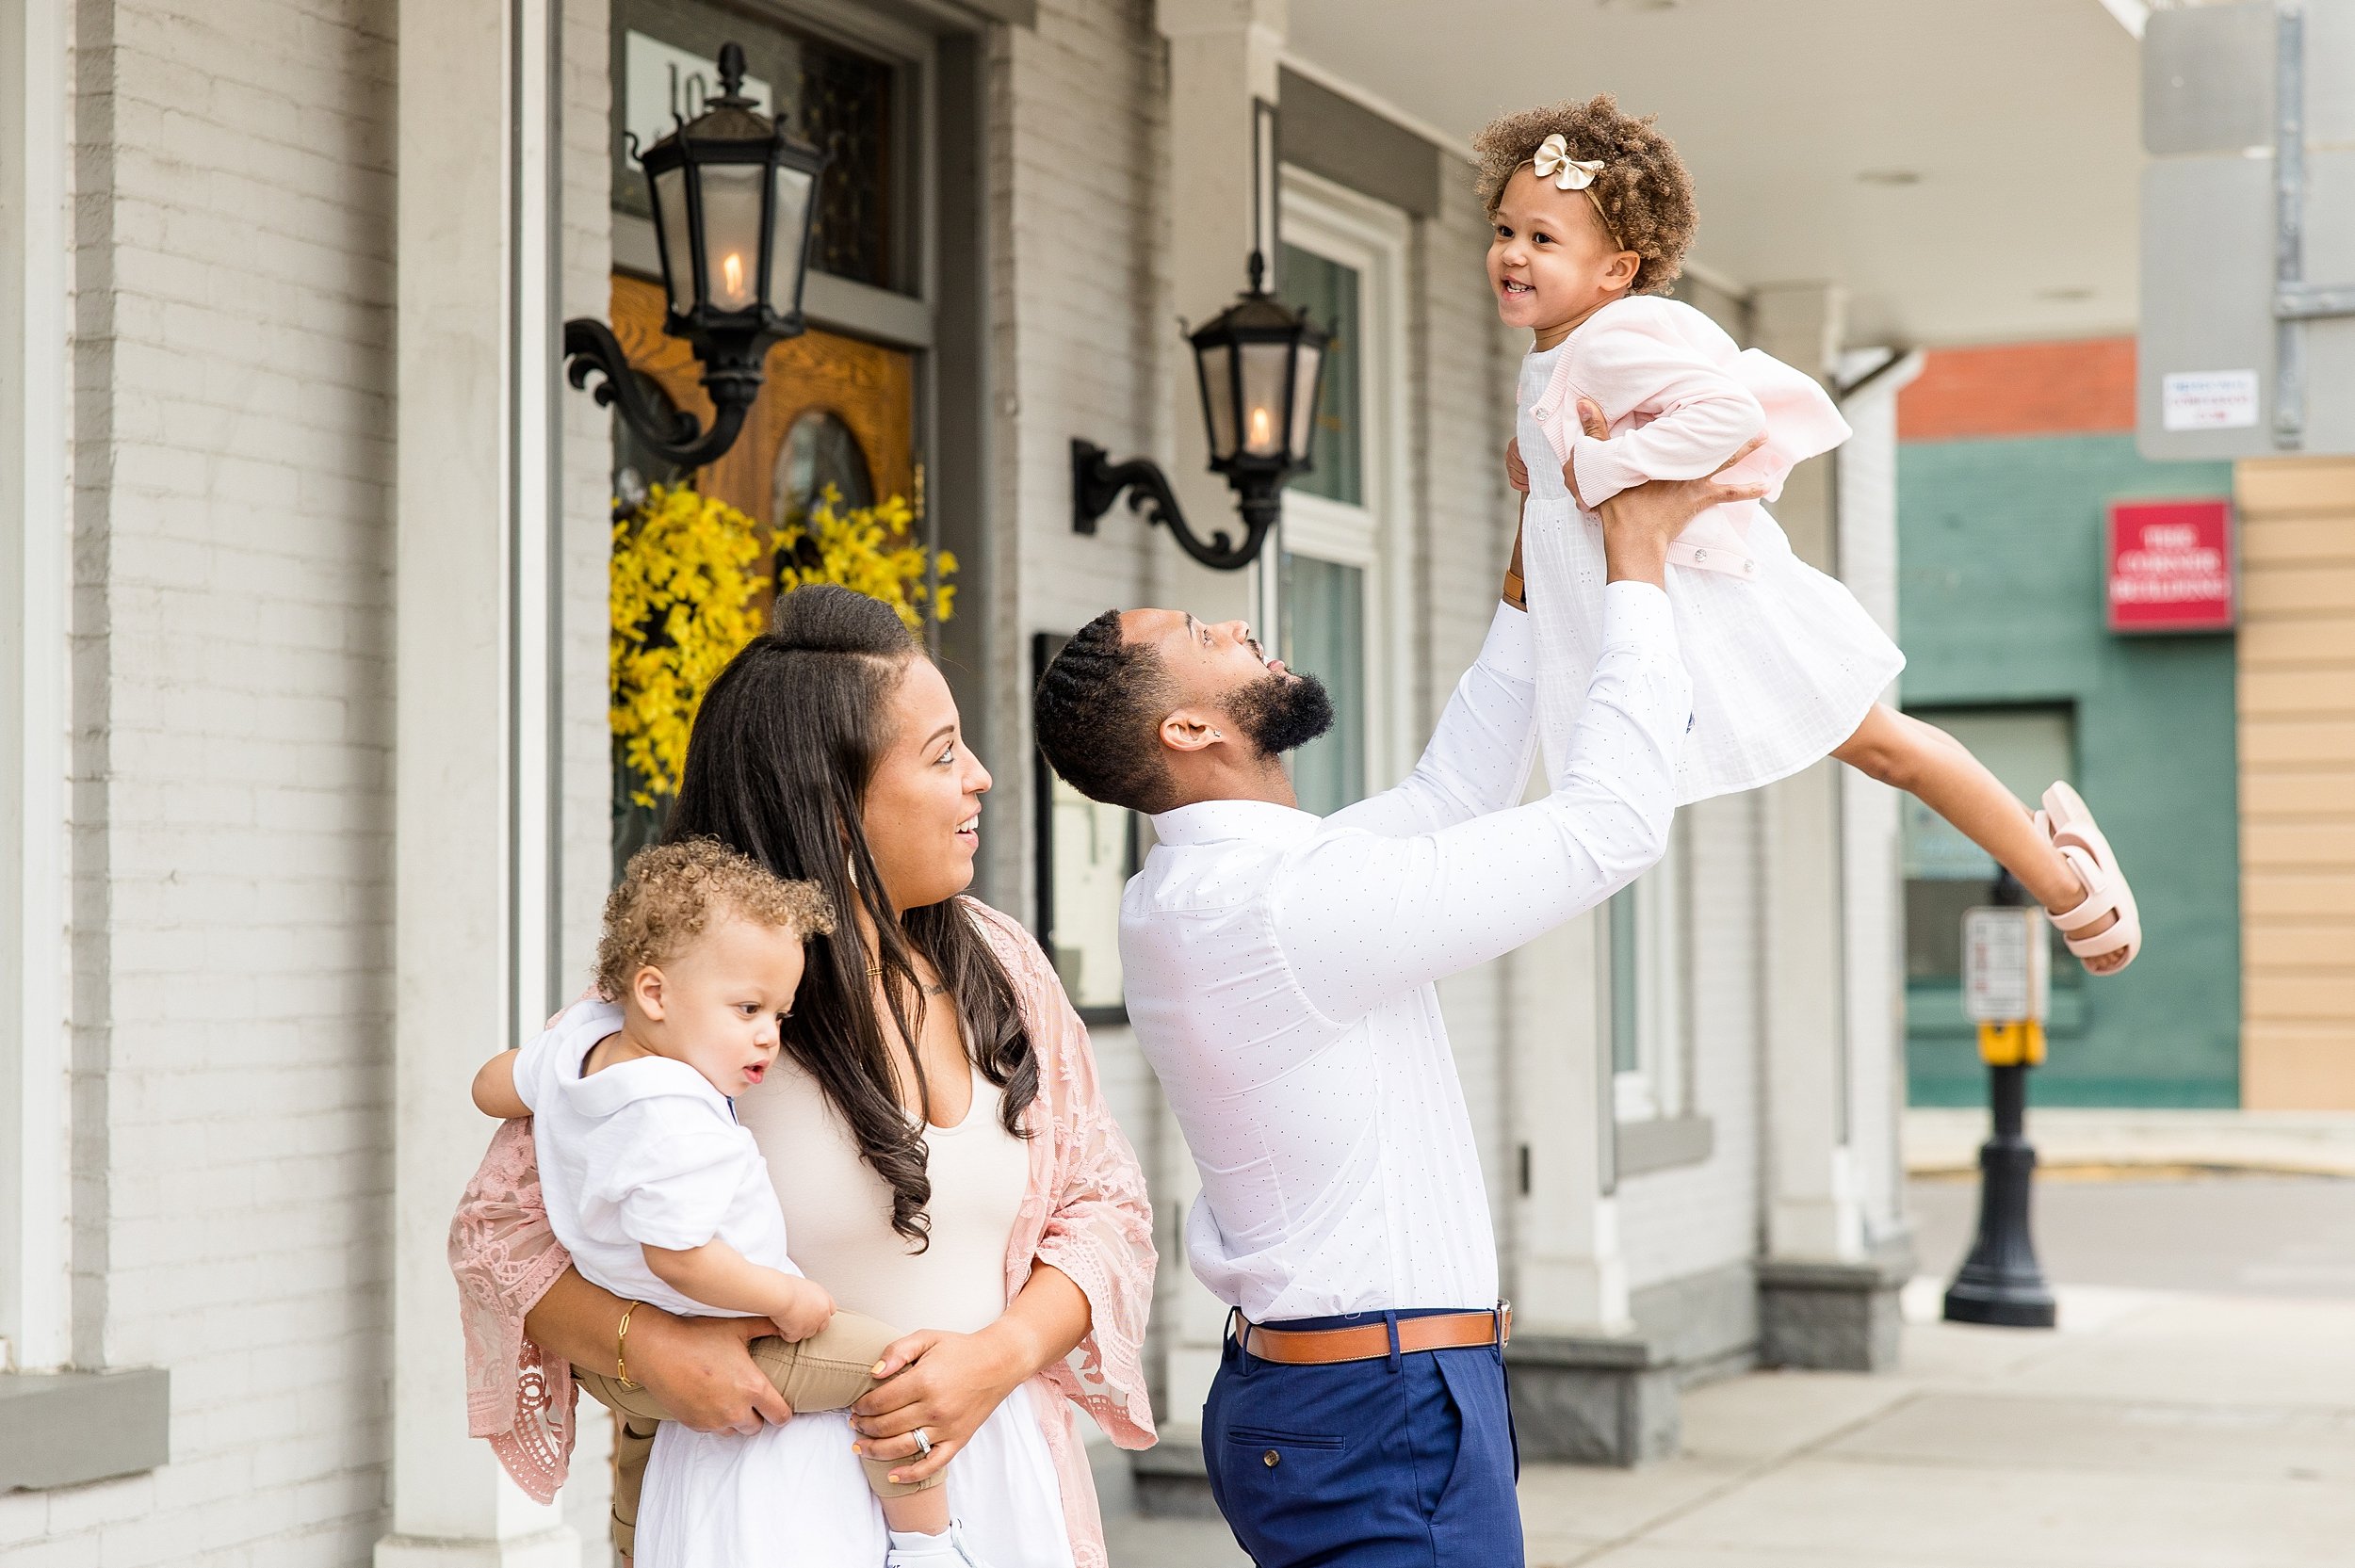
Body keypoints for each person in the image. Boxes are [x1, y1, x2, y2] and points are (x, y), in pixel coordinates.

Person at [1031, 406, 1761, 1566]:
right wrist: (1636, 568)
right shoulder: (1275, 909)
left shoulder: (1218, 890)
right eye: (1201, 637)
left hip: (1359, 1394)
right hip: (1378, 1407)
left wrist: (1536, 557)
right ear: (1187, 725)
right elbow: (1609, 829)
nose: (1236, 624)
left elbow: (1448, 793)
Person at [447, 585, 1156, 1568]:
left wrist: (992, 1363)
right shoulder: (696, 1002)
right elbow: (500, 1237)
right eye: (942, 753)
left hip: (998, 1476)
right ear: (832, 797)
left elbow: (1105, 1208)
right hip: (772, 1496)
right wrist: (647, 1348)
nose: (982, 778)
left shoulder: (1005, 967)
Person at [1481, 95, 2138, 975]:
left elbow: (1729, 414)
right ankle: (2058, 871)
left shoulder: (1616, 335)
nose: (1513, 254)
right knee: (1842, 754)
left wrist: (1596, 470)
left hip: (1705, 605)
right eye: (1504, 230)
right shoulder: (1559, 353)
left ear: (1617, 269)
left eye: (1544, 239)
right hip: (1636, 615)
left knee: (1882, 747)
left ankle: (2071, 885)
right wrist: (1538, 472)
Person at [468, 837, 989, 1567]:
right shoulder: (671, 1110)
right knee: (891, 1373)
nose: (768, 1037)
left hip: (627, 1354)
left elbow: (491, 1085)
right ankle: (929, 1541)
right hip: (723, 1333)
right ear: (655, 993)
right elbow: (679, 1256)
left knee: (638, 1443)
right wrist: (786, 1296)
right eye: (748, 1008)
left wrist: (545, 1074)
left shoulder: (581, 1045)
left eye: (779, 1014)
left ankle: (628, 1541)